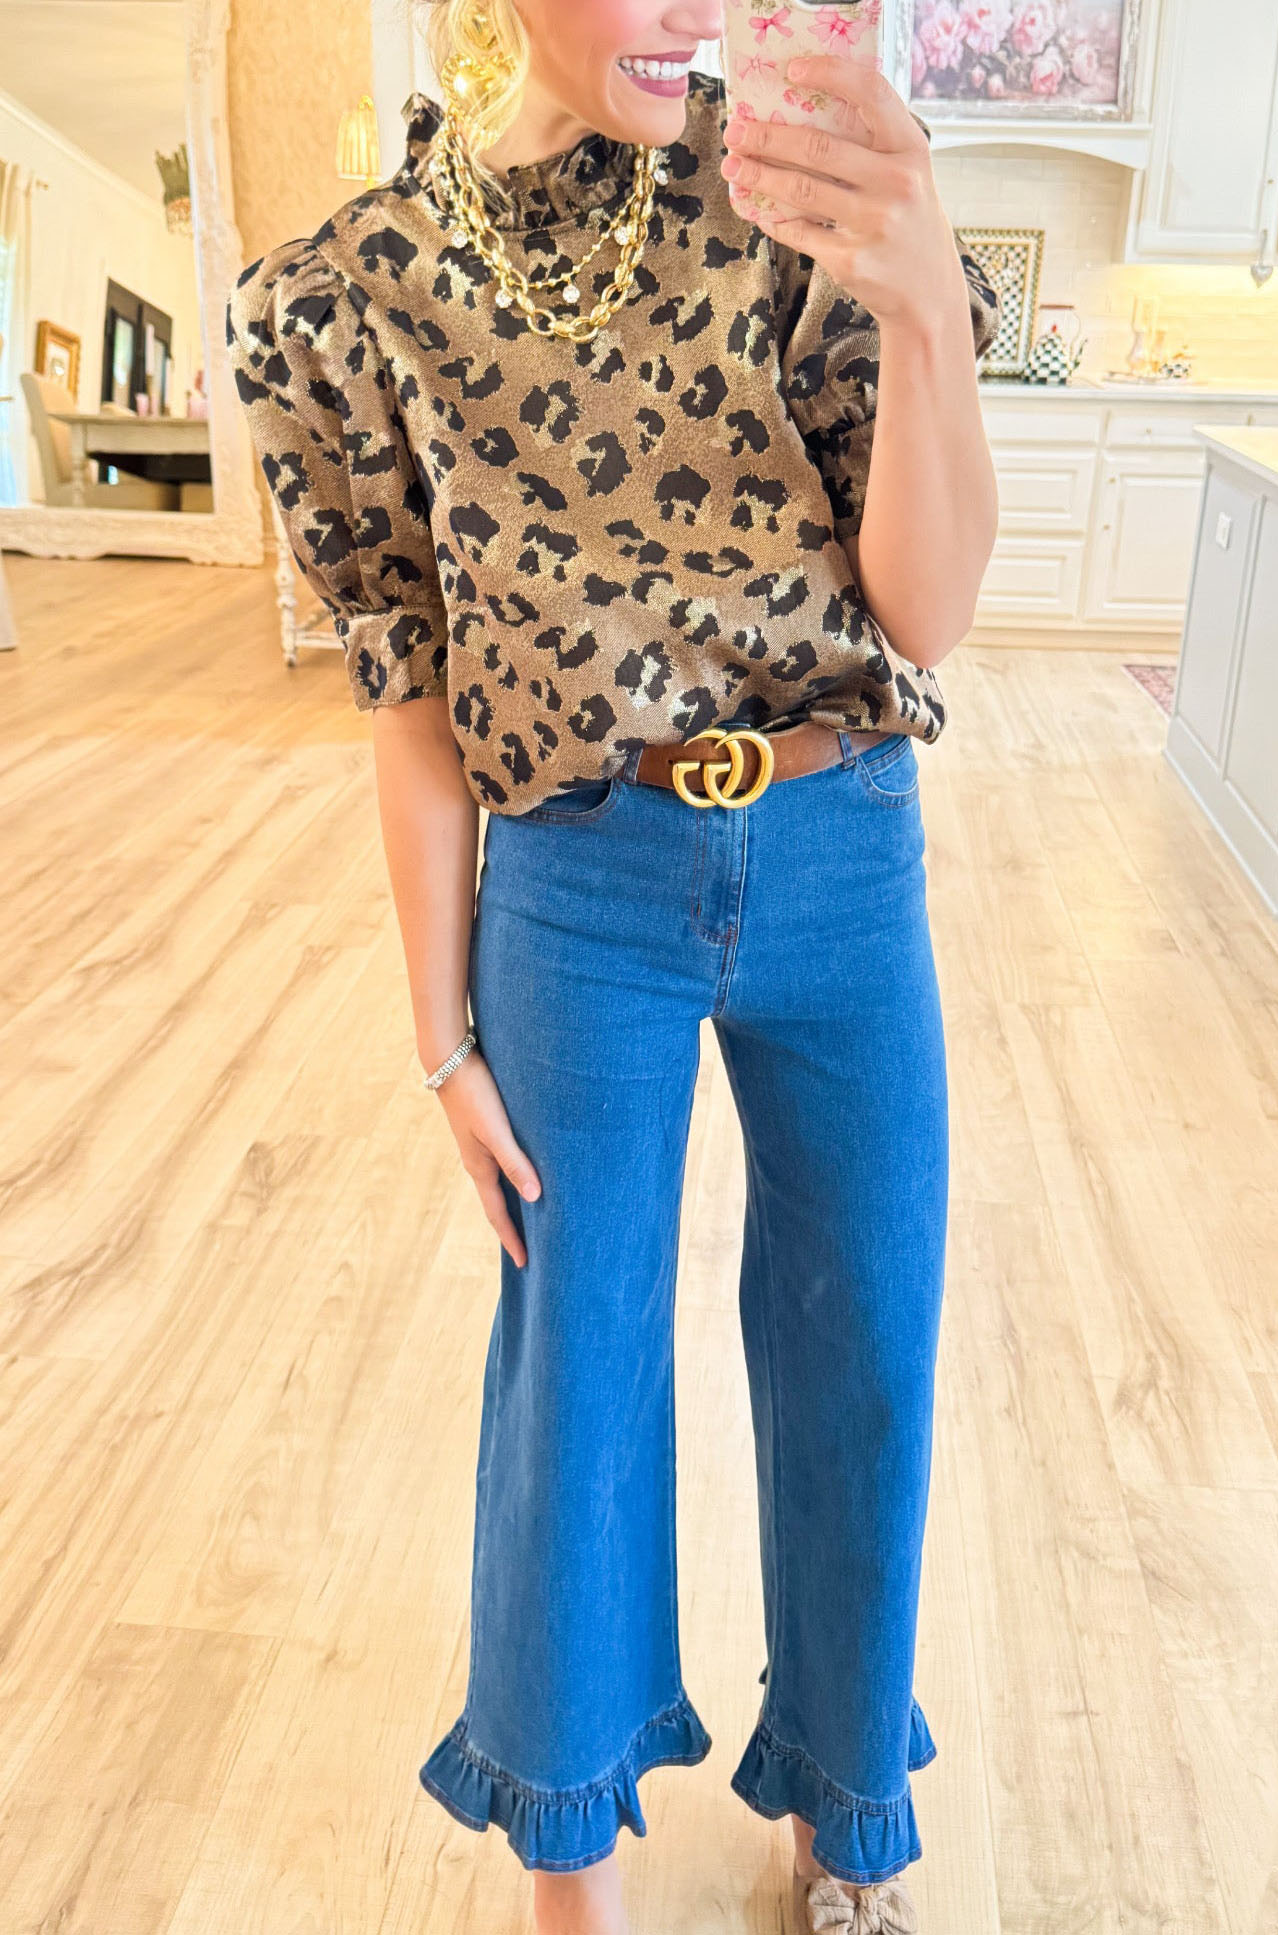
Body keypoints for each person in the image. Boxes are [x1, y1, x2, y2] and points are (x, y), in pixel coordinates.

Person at [226, 4, 1001, 1930]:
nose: (681, 9)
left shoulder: (790, 195)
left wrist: (923, 310)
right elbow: (407, 697)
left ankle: (846, 1823)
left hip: (837, 844)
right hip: (578, 883)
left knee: (863, 1342)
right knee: (572, 1369)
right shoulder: (355, 295)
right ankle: (568, 1874)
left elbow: (922, 614)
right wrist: (438, 1039)